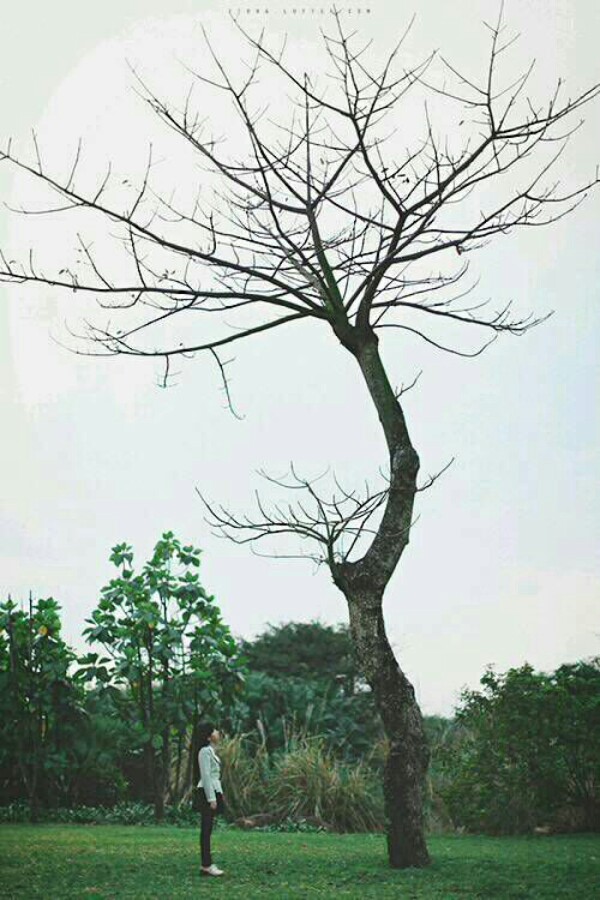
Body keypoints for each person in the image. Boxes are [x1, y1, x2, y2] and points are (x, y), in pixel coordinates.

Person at [196, 722, 225, 877]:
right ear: (208, 736)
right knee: (206, 830)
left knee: (208, 829)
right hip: (207, 793)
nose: (217, 732)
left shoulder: (211, 751)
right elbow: (206, 776)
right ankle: (206, 864)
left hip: (213, 791)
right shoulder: (204, 752)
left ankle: (206, 864)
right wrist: (211, 798)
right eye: (214, 730)